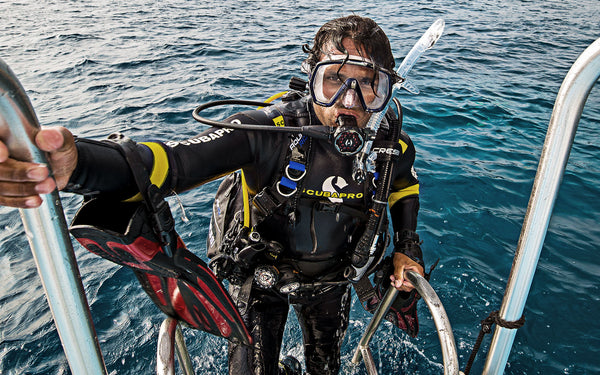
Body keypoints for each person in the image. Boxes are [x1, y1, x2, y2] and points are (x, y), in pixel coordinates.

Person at [0, 15, 425, 375]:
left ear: (386, 92)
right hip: (262, 278)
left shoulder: (389, 146)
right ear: (310, 78)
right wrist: (76, 165)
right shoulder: (267, 133)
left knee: (326, 367)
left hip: (333, 282)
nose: (347, 101)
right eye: (332, 79)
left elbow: (404, 185)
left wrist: (407, 246)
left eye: (367, 85)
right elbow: (171, 163)